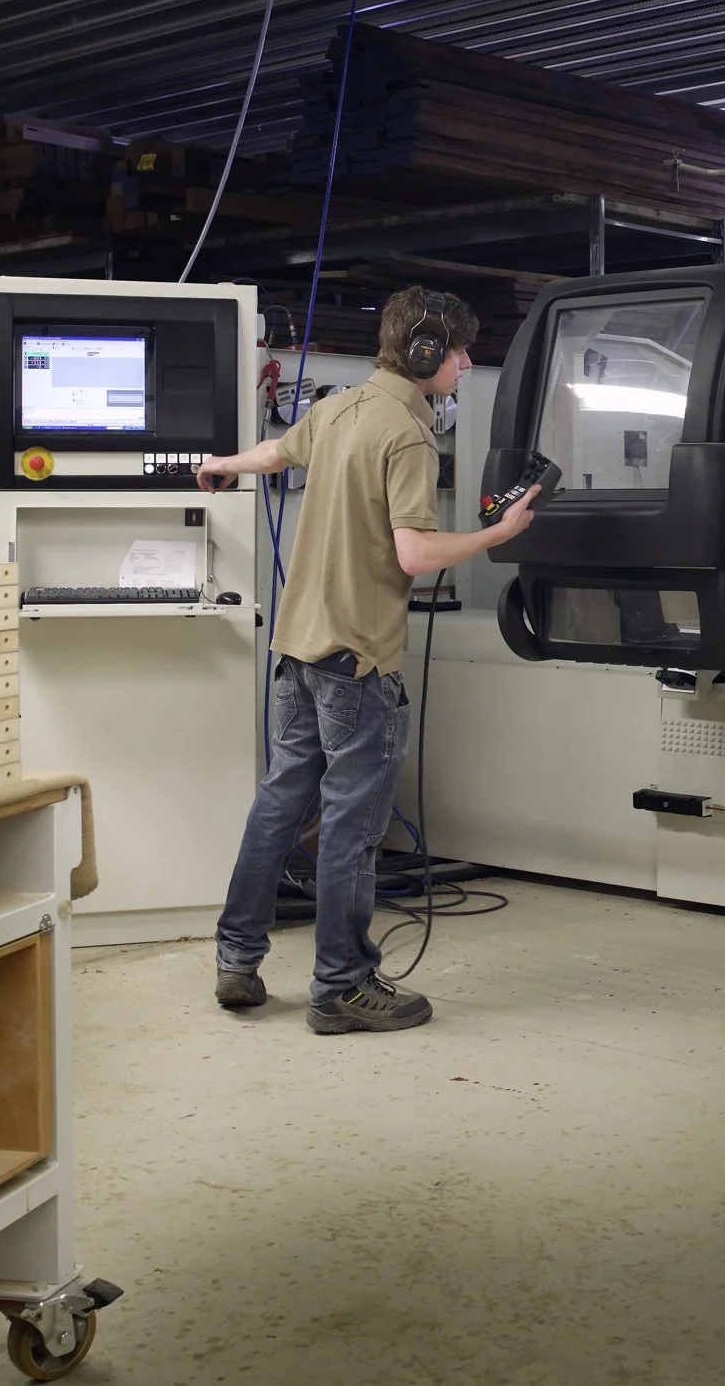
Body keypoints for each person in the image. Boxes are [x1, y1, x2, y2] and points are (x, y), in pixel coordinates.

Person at [195, 286, 539, 1034]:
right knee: (352, 829)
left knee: (280, 804)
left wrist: (222, 462)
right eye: (455, 352)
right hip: (357, 659)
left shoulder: (340, 409)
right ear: (423, 354)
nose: (464, 364)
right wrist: (496, 534)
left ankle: (237, 958)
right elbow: (416, 555)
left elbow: (274, 452)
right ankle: (342, 986)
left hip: (297, 649)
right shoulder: (408, 438)